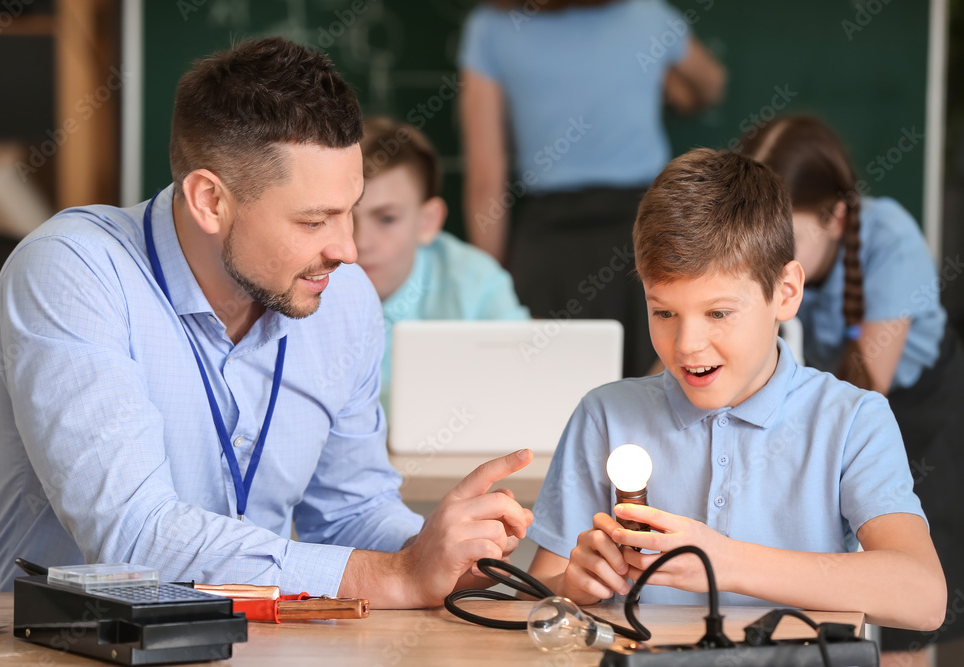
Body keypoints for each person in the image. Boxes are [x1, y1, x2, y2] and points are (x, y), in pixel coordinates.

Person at [0, 38, 534, 607]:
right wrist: (392, 576)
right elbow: (135, 537)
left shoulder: (343, 298)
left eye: (351, 210)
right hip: (56, 644)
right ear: (209, 201)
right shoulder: (71, 271)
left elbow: (351, 512)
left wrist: (444, 559)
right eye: (315, 220)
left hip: (254, 642)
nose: (348, 249)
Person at [524, 149, 945, 635]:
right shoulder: (605, 415)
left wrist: (723, 561)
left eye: (719, 313)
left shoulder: (853, 420)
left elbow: (924, 595)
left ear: (785, 293)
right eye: (664, 312)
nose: (686, 345)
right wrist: (573, 587)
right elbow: (543, 597)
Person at [740, 115, 964, 660]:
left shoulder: (890, 239)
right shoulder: (784, 260)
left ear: (836, 216)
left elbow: (866, 391)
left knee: (904, 618)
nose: (770, 256)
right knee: (829, 596)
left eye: (785, 237)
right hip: (826, 413)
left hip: (914, 417)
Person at [457, 0, 726, 377]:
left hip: (547, 247)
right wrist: (664, 79)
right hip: (644, 239)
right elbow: (710, 83)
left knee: (542, 408)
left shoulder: (493, 25)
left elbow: (487, 174)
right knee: (649, 412)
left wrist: (485, 287)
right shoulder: (646, 14)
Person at [353, 117, 529, 413]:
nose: (361, 242)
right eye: (344, 217)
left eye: (386, 219)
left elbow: (523, 382)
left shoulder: (477, 282)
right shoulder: (305, 281)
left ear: (427, 222)